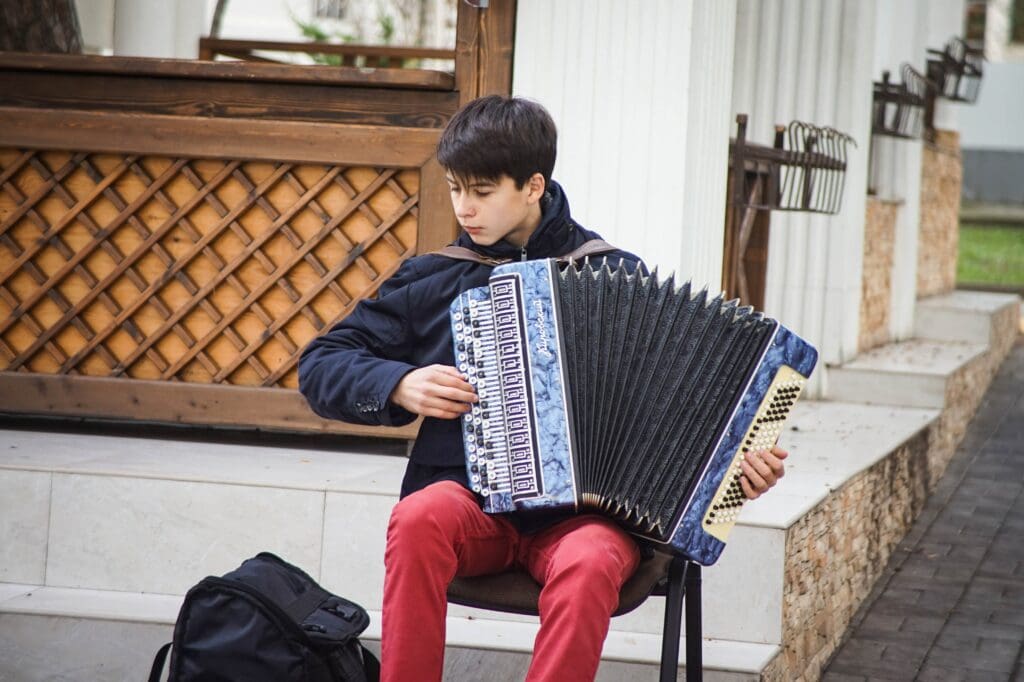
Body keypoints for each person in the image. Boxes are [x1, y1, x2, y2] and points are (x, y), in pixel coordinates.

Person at [298, 95, 788, 682]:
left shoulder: (614, 276)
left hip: (581, 523)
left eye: (481, 191)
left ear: (533, 186)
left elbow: (689, 412)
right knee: (417, 519)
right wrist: (399, 382)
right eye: (455, 189)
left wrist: (739, 470)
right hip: (472, 505)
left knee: (590, 560)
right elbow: (322, 363)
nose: (464, 208)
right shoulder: (435, 278)